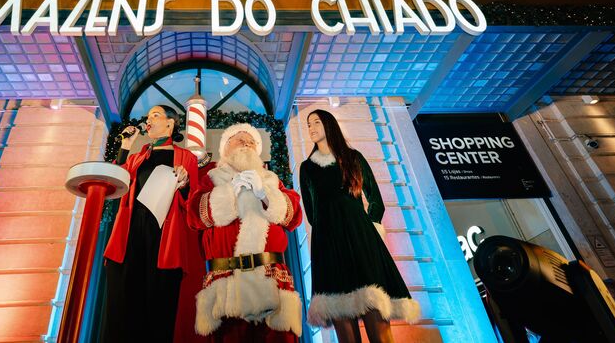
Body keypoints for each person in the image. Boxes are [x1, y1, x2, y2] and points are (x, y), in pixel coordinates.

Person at [299, 109, 420, 343]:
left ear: (329, 125)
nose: (311, 128)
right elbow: (311, 212)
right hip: (329, 248)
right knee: (345, 331)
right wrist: (328, 230)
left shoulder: (353, 158)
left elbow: (375, 199)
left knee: (378, 324)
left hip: (361, 240)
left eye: (316, 122)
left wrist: (368, 229)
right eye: (308, 124)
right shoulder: (307, 168)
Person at [187, 123, 303, 342]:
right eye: (240, 140)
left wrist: (266, 195)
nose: (247, 145)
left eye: (251, 142)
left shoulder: (271, 180)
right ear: (225, 148)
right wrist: (228, 193)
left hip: (272, 282)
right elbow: (194, 216)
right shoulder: (211, 179)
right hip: (226, 285)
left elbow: (294, 216)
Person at [102, 104, 201, 343]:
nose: (149, 120)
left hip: (162, 232)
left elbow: (194, 199)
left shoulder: (184, 156)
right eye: (148, 117)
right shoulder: (137, 157)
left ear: (170, 123)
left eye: (155, 115)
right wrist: (126, 145)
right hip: (130, 231)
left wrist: (185, 182)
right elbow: (115, 182)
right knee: (125, 298)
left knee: (159, 300)